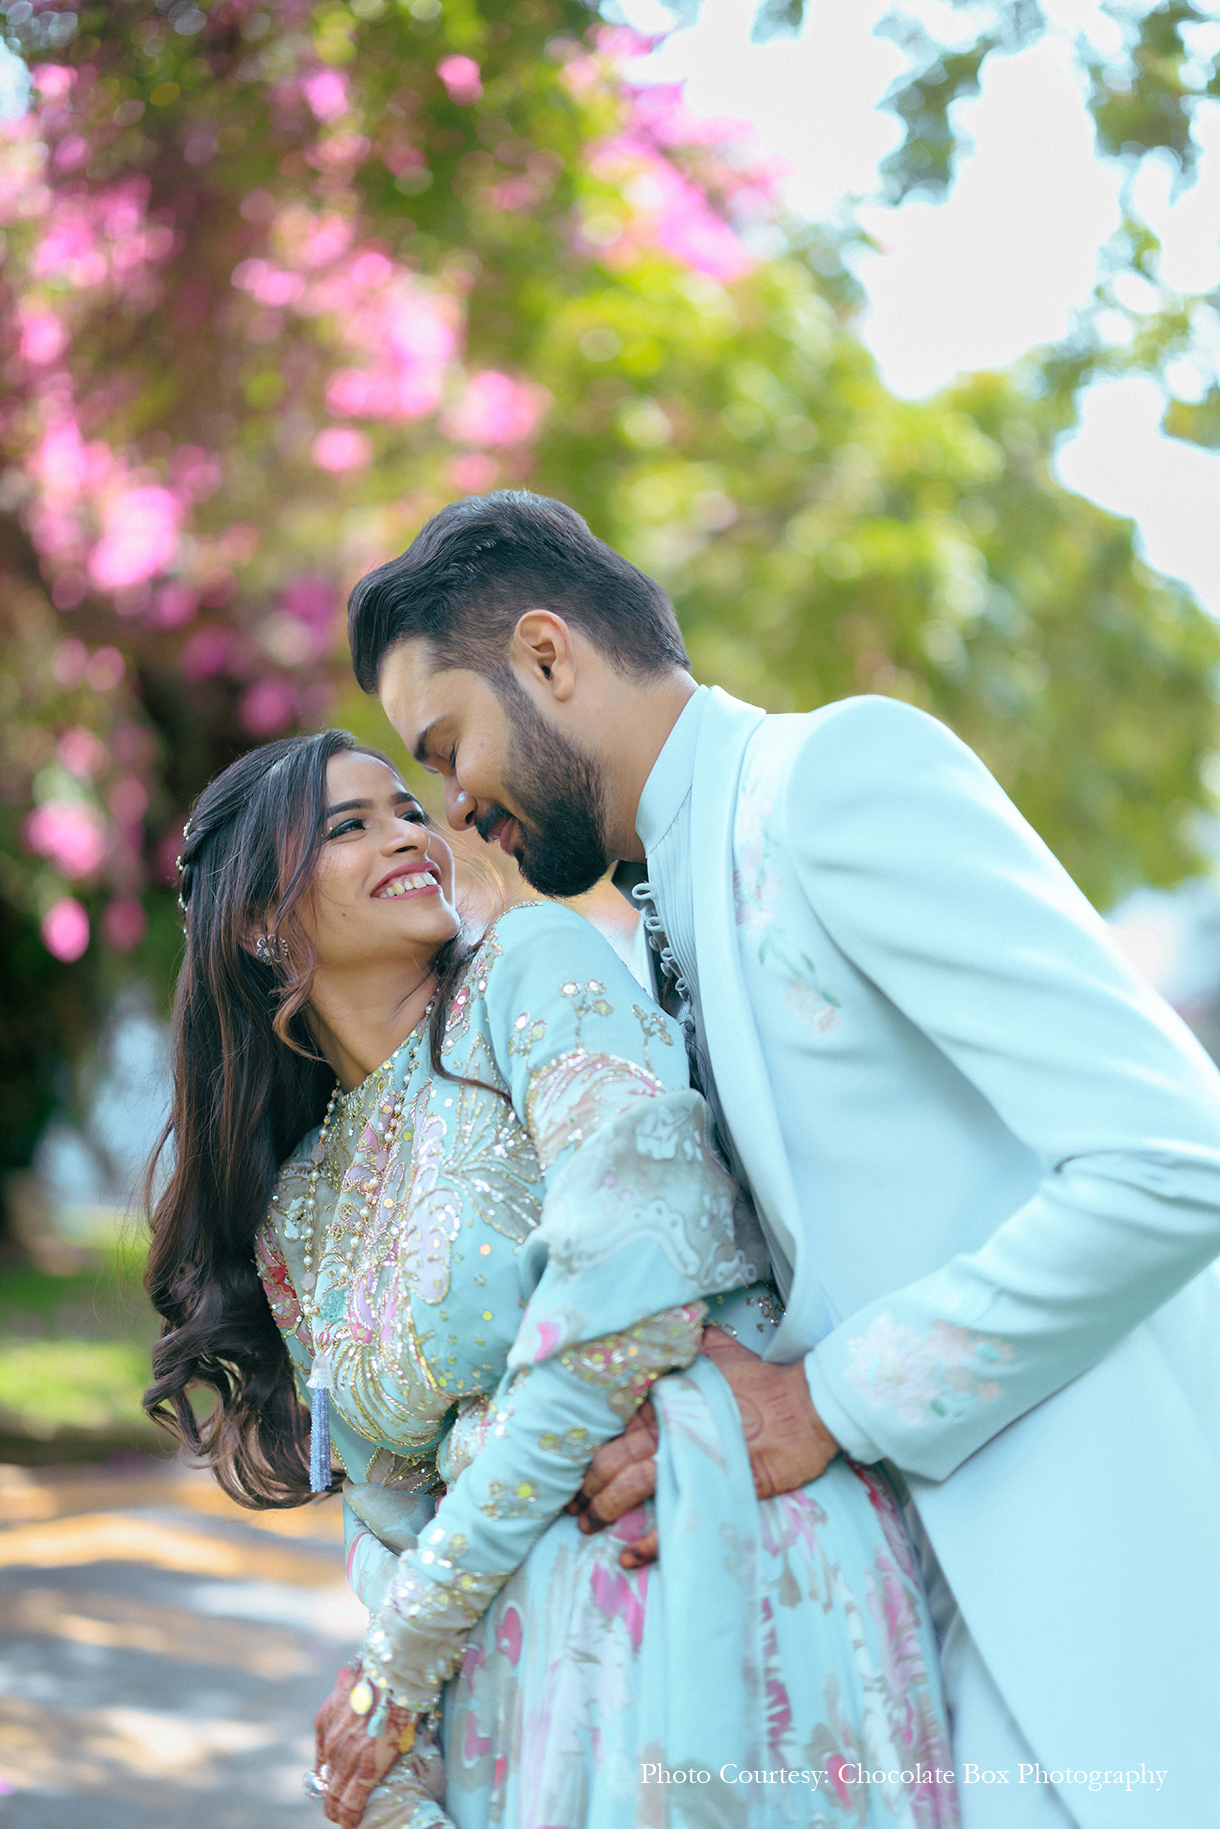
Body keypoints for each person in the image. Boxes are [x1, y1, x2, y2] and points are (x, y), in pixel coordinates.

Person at [347, 489, 1220, 1829]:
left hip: (1091, 1621)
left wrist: (827, 1399)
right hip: (895, 1660)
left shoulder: (836, 780)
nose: (453, 807)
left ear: (546, 656)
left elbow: (1174, 1158)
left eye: (446, 745)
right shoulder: (645, 937)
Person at [142, 728, 957, 1829]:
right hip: (510, 1685)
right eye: (350, 824)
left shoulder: (526, 967)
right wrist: (393, 1757)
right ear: (257, 921)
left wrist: (408, 1647)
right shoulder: (296, 1209)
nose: (409, 833)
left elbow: (633, 1283)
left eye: (406, 807)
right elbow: (384, 1506)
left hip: (699, 1572)